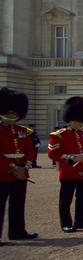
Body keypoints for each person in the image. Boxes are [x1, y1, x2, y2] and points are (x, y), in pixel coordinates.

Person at [48, 96, 83, 232]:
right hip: (69, 172)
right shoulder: (59, 135)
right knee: (66, 200)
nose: (80, 123)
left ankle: (81, 221)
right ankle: (66, 223)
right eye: (78, 120)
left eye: (82, 120)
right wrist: (73, 157)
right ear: (70, 119)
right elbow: (53, 154)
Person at [0, 87, 37, 243]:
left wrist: (25, 166)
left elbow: (30, 151)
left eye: (15, 112)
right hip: (2, 173)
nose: (12, 114)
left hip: (21, 172)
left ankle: (17, 231)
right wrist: (14, 168)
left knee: (18, 204)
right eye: (9, 111)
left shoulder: (24, 131)